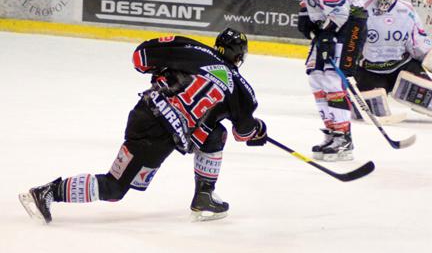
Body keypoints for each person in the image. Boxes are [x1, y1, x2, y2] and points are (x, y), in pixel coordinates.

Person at [18, 28, 268, 224]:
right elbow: (243, 132)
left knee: (215, 133)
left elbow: (140, 58)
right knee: (114, 187)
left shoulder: (192, 48)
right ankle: (47, 192)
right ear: (239, 56)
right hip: (160, 137)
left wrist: (160, 72)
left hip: (147, 114)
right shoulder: (243, 91)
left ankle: (204, 197)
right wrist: (258, 129)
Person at [283, 0, 367, 161]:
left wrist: (328, 33)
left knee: (330, 76)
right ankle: (332, 131)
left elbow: (340, 10)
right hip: (331, 23)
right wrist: (305, 16)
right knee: (315, 75)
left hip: (348, 21)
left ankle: (344, 138)